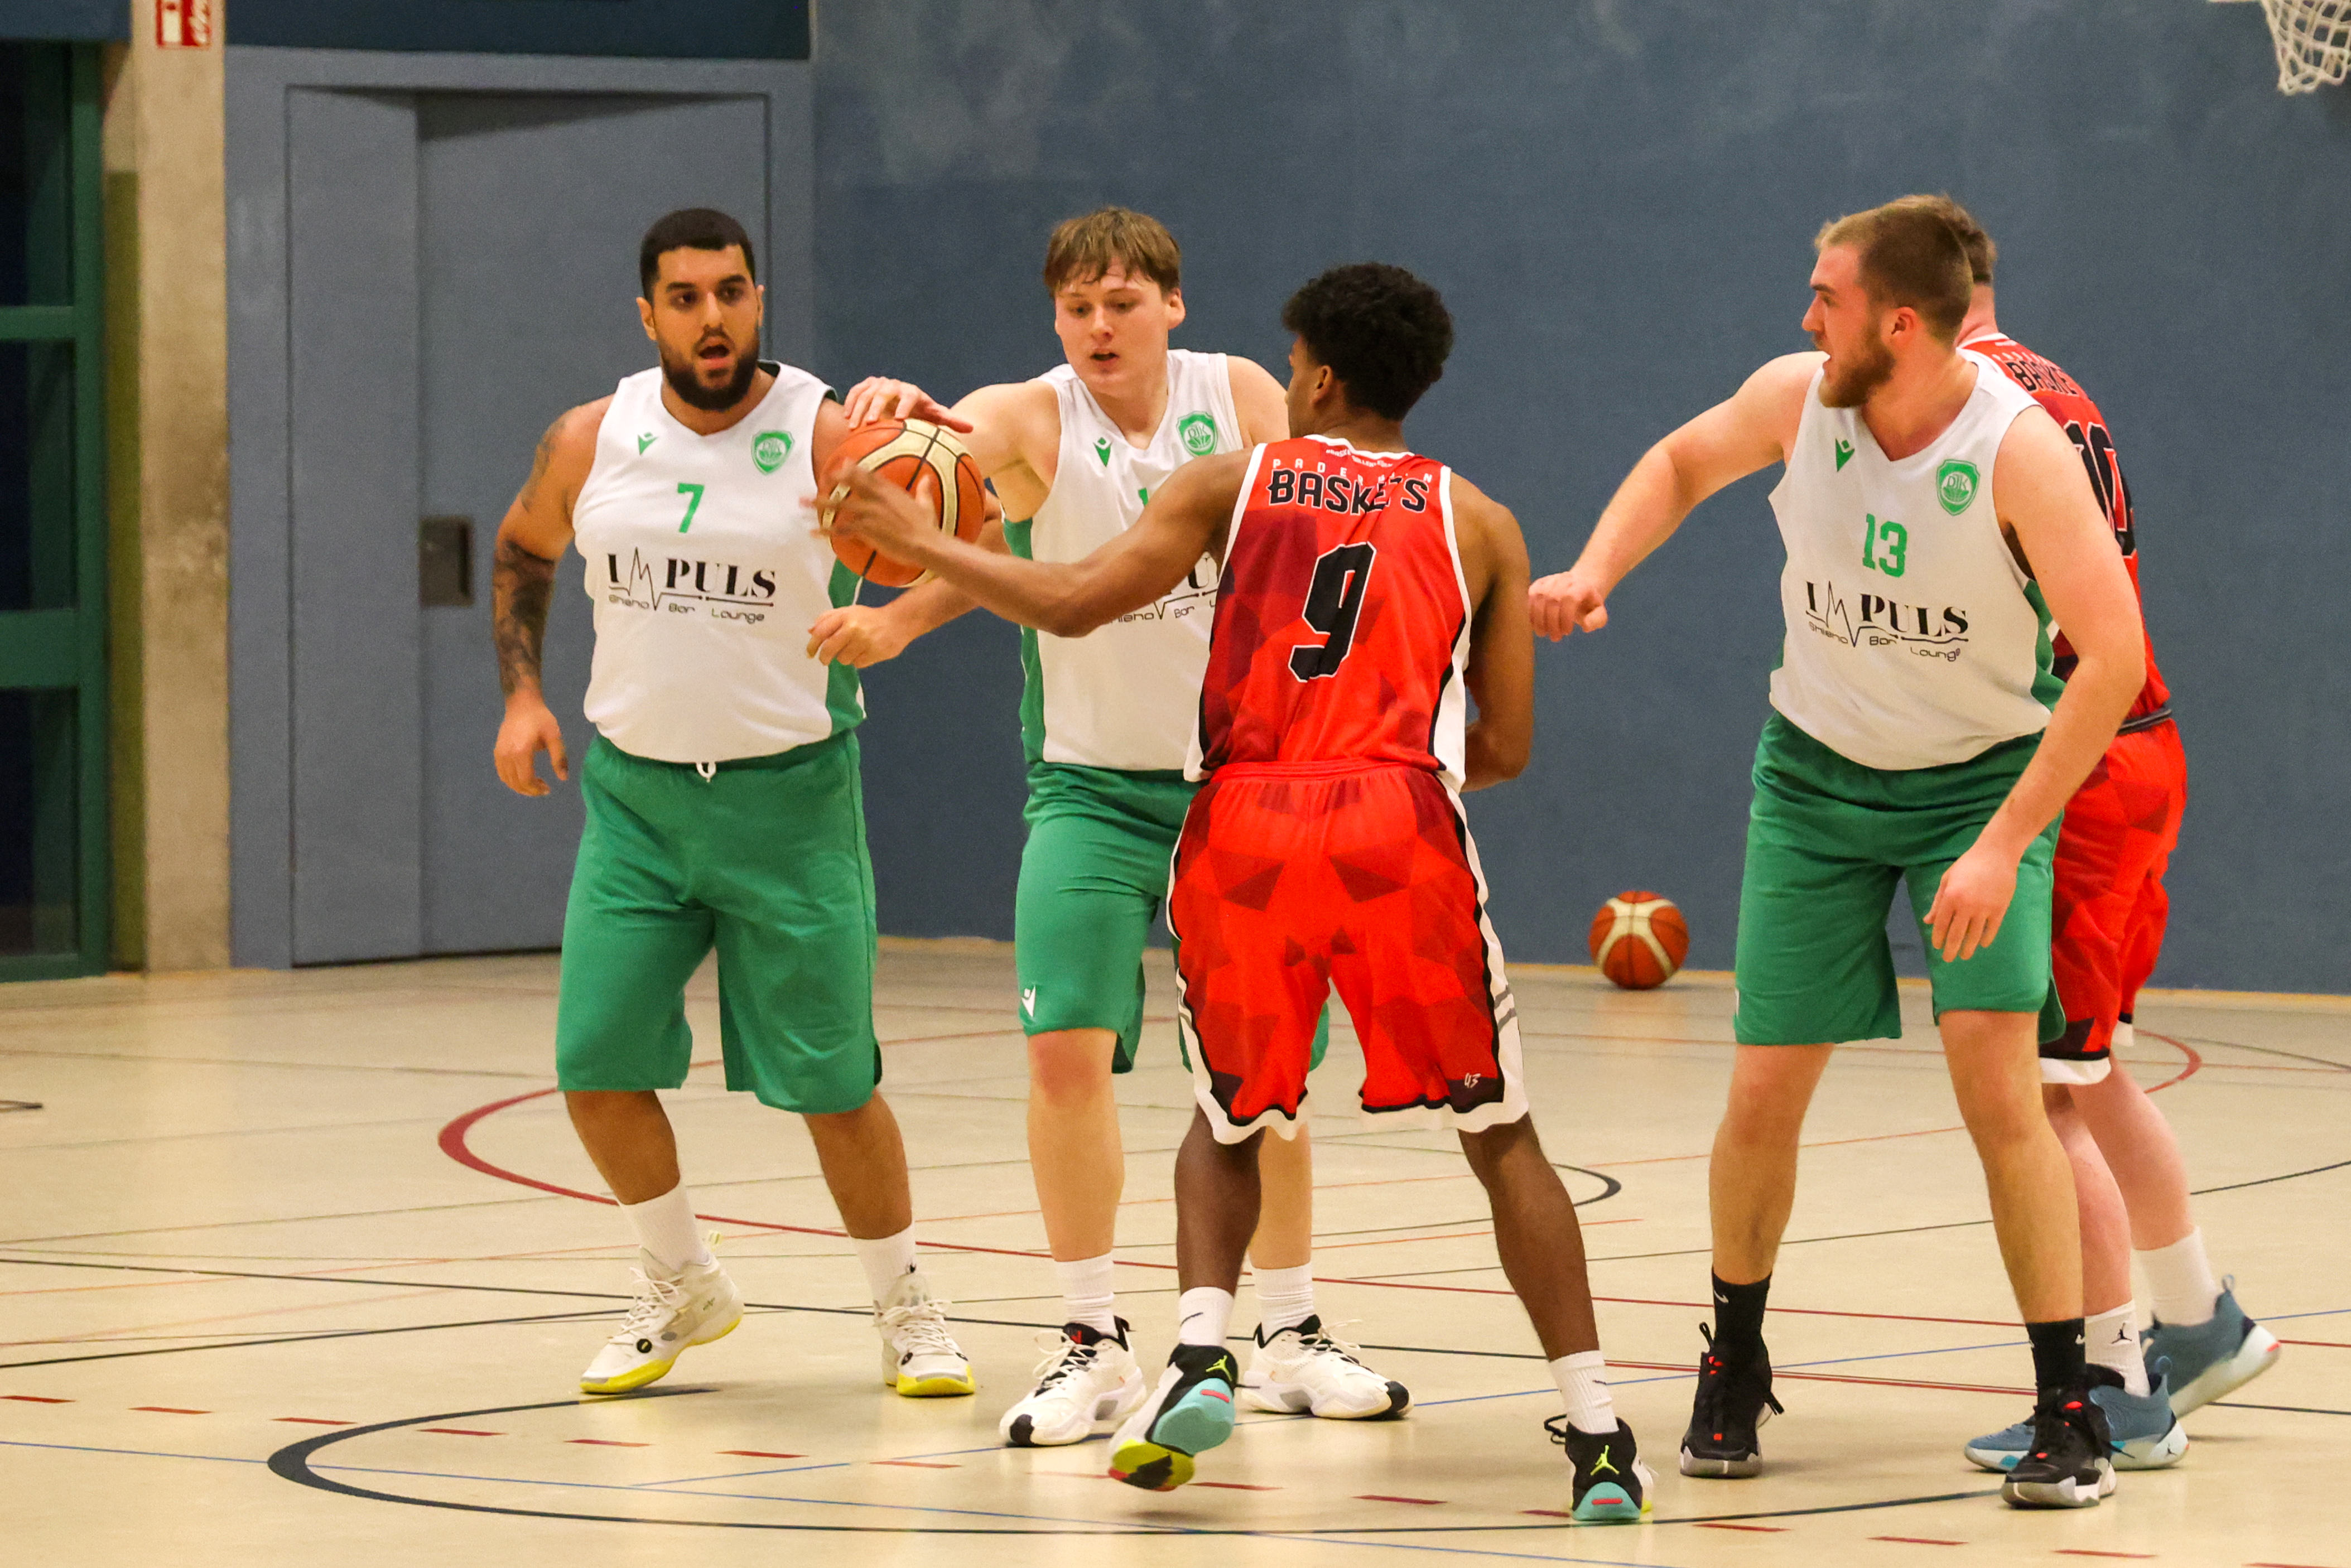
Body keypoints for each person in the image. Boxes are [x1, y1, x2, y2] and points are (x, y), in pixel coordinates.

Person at [825, 262, 1655, 1523]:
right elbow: (1507, 748)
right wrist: (1400, 765)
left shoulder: (1231, 483)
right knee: (1502, 1137)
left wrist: (922, 543)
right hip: (1399, 819)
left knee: (1228, 1116)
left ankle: (1201, 1352)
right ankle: (1596, 1436)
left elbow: (1070, 602)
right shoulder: (1480, 520)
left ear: (1315, 377)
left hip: (1249, 817)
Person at [1530, 200, 2147, 1510]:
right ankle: (1734, 1358)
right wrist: (1594, 568)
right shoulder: (1795, 399)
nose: (1806, 317)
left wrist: (2003, 844)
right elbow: (1680, 462)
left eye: (1827, 297)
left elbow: (2112, 658)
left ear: (1899, 324)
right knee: (1763, 1088)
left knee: (1999, 1092)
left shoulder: (2016, 451)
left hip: (1974, 787)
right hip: (1814, 779)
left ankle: (2067, 1402)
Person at [810, 209, 1405, 1448]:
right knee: (1063, 1054)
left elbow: (1336, 532)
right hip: (1088, 790)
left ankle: (1288, 1330)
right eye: (1076, 306)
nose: (1098, 326)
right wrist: (899, 421)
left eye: (1122, 302)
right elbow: (954, 471)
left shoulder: (1242, 397)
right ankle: (1091, 1339)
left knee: (1265, 1077)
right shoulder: (1034, 417)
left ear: (1172, 306)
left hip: (1243, 788)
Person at [489, 207, 972, 1402]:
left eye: (732, 292)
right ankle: (681, 1278)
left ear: (759, 299)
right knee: (594, 1064)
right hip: (636, 805)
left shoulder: (828, 432)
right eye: (687, 297)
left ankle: (907, 1305)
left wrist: (898, 620)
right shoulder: (590, 437)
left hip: (788, 800)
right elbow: (523, 549)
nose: (714, 317)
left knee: (832, 1083)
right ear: (647, 314)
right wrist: (522, 696)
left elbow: (982, 540)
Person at [1890, 196, 2277, 1476]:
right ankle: (2198, 1319)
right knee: (2089, 1066)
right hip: (2142, 746)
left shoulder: (1973, 413)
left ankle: (2113, 1387)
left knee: (2037, 1086)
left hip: (2080, 760)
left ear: (1911, 306)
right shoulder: (2055, 382)